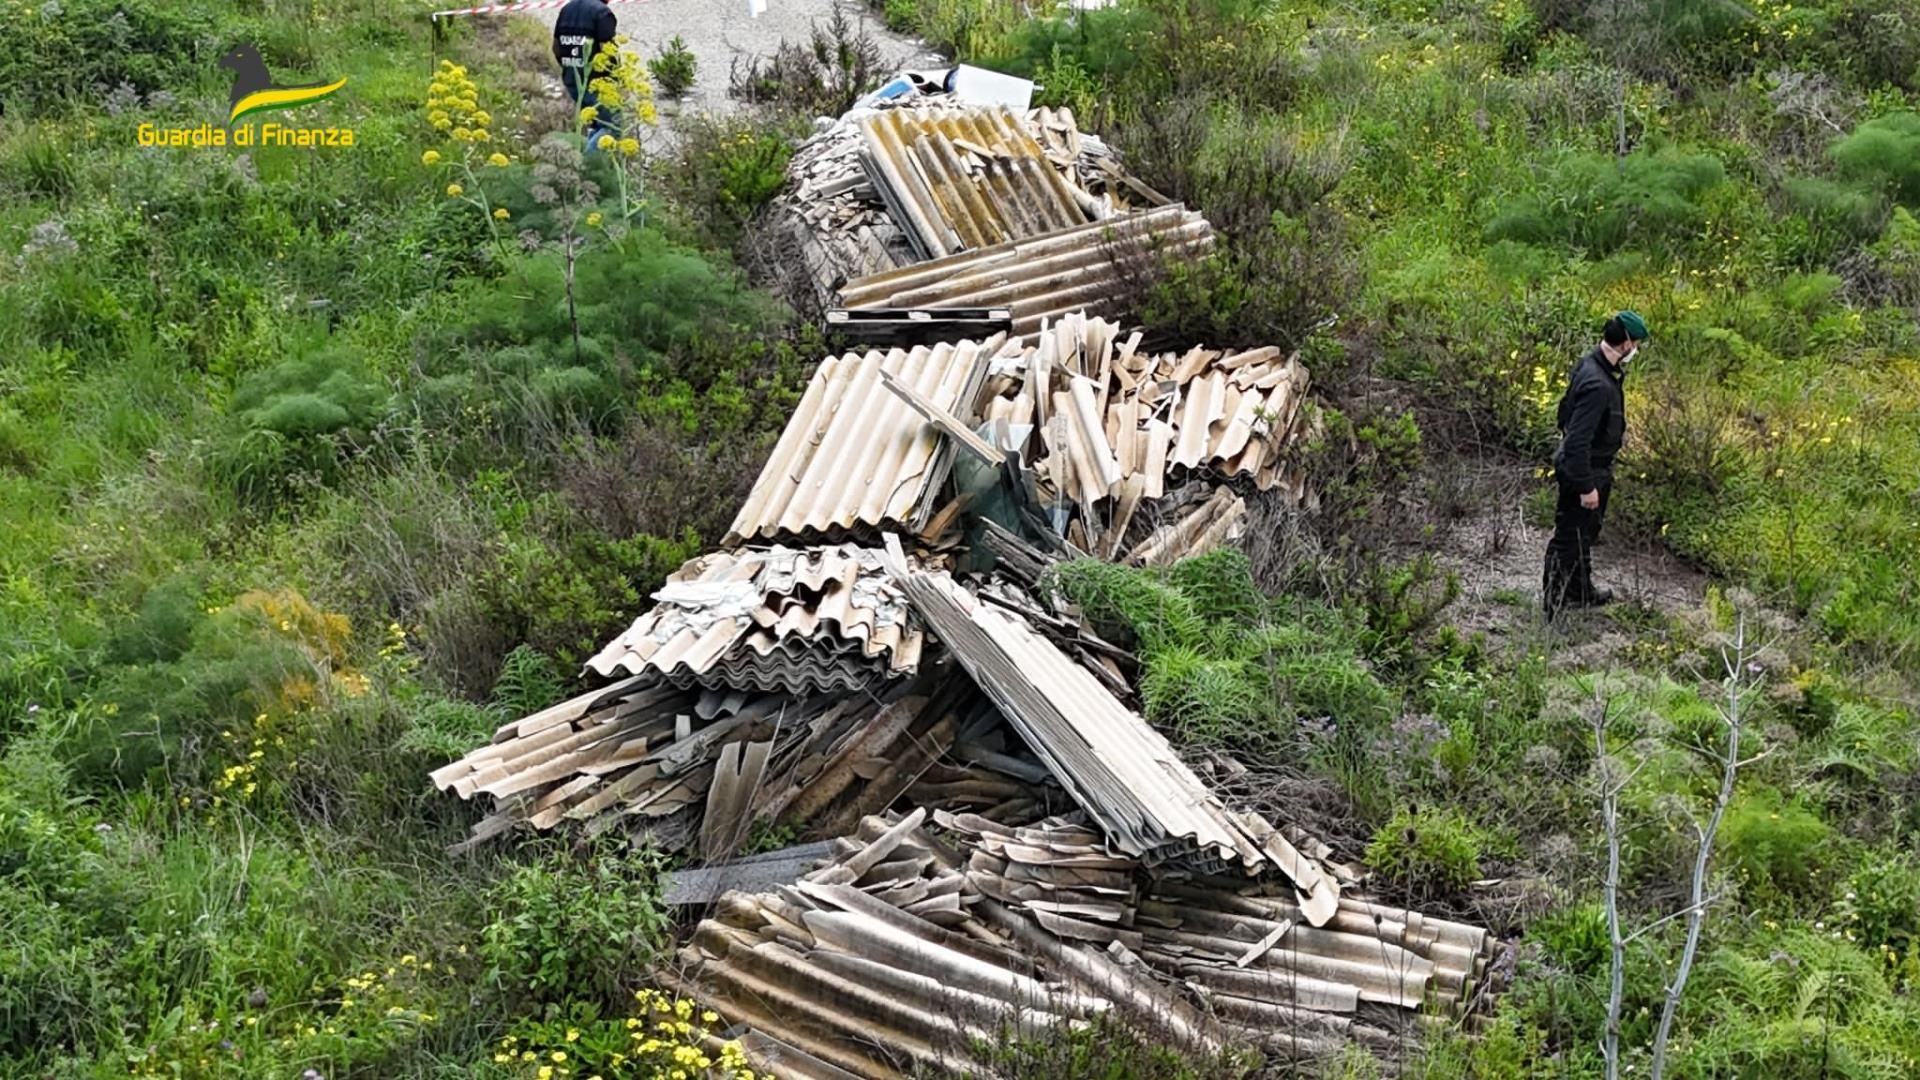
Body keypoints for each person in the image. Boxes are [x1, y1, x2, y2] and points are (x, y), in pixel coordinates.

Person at [1543, 310, 1649, 615]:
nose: (1636, 349)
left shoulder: (1592, 366)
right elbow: (1577, 440)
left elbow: (1565, 416)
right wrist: (1586, 486)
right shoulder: (1599, 385)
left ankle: (1580, 591)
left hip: (1591, 466)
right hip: (1586, 469)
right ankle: (1555, 604)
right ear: (1626, 343)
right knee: (1569, 538)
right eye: (1637, 343)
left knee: (1585, 535)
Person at [552, 0, 618, 140]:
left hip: (572, 82)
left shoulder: (566, 9)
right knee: (612, 128)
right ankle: (587, 159)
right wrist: (616, 78)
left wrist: (570, 66)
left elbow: (556, 48)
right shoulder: (602, 13)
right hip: (597, 84)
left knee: (595, 124)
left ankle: (591, 150)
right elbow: (608, 52)